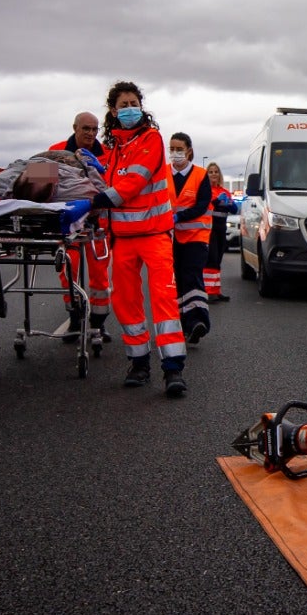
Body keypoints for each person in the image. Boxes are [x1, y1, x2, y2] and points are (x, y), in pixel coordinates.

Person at [66, 81, 188, 397]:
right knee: (126, 303)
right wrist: (99, 169)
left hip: (154, 236)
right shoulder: (118, 148)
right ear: (114, 111)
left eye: (134, 102)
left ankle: (173, 370)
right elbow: (115, 178)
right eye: (124, 104)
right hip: (123, 239)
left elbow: (132, 182)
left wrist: (92, 202)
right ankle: (139, 364)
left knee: (163, 301)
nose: (130, 108)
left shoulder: (150, 139)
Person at [49, 112, 112, 341]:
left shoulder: (106, 154)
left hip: (98, 224)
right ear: (75, 127)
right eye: (86, 128)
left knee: (100, 276)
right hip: (68, 222)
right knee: (68, 270)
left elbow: (115, 187)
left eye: (95, 129)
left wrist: (100, 170)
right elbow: (40, 183)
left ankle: (98, 323)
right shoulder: (55, 150)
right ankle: (75, 319)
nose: (91, 134)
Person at [167, 132, 211, 344]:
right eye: (172, 149)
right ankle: (184, 324)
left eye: (179, 149)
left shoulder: (200, 175)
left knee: (191, 276)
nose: (175, 153)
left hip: (195, 236)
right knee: (177, 281)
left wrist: (180, 216)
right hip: (169, 237)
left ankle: (197, 321)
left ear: (189, 151)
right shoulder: (163, 175)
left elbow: (202, 204)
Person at [202, 162, 236, 302]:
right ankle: (208, 292)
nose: (214, 174)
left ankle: (216, 290)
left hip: (221, 229)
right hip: (209, 229)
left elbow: (234, 210)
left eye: (216, 171)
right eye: (211, 172)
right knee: (211, 259)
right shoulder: (204, 190)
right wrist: (217, 201)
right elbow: (205, 206)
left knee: (218, 260)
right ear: (207, 175)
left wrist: (230, 204)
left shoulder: (225, 191)